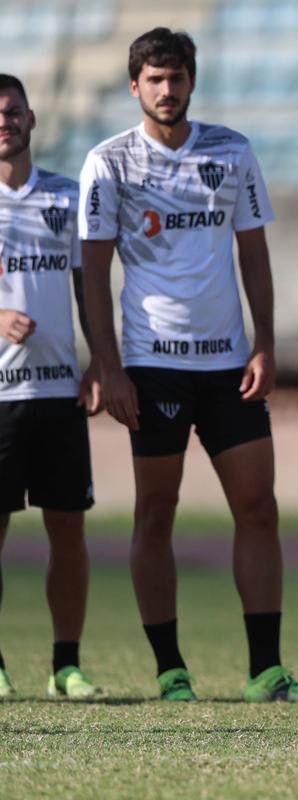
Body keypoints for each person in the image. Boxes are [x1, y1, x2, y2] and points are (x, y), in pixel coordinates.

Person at [79, 29, 298, 702]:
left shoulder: (232, 152)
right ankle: (170, 669)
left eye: (175, 77)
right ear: (134, 87)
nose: (166, 89)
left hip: (227, 367)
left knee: (259, 508)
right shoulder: (109, 164)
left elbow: (253, 254)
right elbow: (93, 272)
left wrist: (265, 341)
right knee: (157, 512)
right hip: (150, 364)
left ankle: (266, 670)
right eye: (153, 79)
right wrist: (108, 364)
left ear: (192, 81)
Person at [0, 74, 104, 699]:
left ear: (33, 120)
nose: (3, 121)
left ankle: (66, 663)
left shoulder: (65, 197)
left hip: (59, 393)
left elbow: (86, 287)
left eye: (12, 112)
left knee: (68, 531)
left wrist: (101, 364)